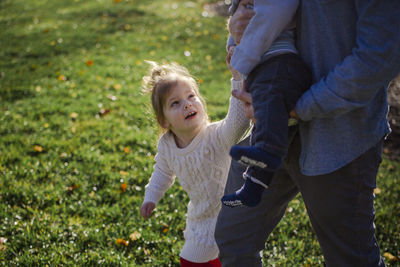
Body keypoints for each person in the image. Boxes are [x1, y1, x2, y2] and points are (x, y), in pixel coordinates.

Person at [215, 0, 400, 266]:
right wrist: (235, 35)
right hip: (267, 128)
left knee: (350, 259)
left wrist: (298, 106)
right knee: (234, 240)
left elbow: (380, 56)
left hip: (339, 136)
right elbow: (249, 10)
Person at [140, 58, 249, 266]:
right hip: (199, 218)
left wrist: (237, 78)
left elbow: (238, 121)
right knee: (190, 259)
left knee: (230, 258)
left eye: (191, 96)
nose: (187, 103)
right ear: (164, 121)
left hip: (231, 215)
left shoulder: (216, 136)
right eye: (175, 103)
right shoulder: (167, 146)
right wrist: (151, 197)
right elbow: (162, 173)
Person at [220, 0, 312, 208]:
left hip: (280, 63)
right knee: (265, 130)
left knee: (267, 136)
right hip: (263, 71)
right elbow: (238, 23)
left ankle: (269, 152)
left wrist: (241, 60)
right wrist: (233, 45)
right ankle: (253, 188)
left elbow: (273, 14)